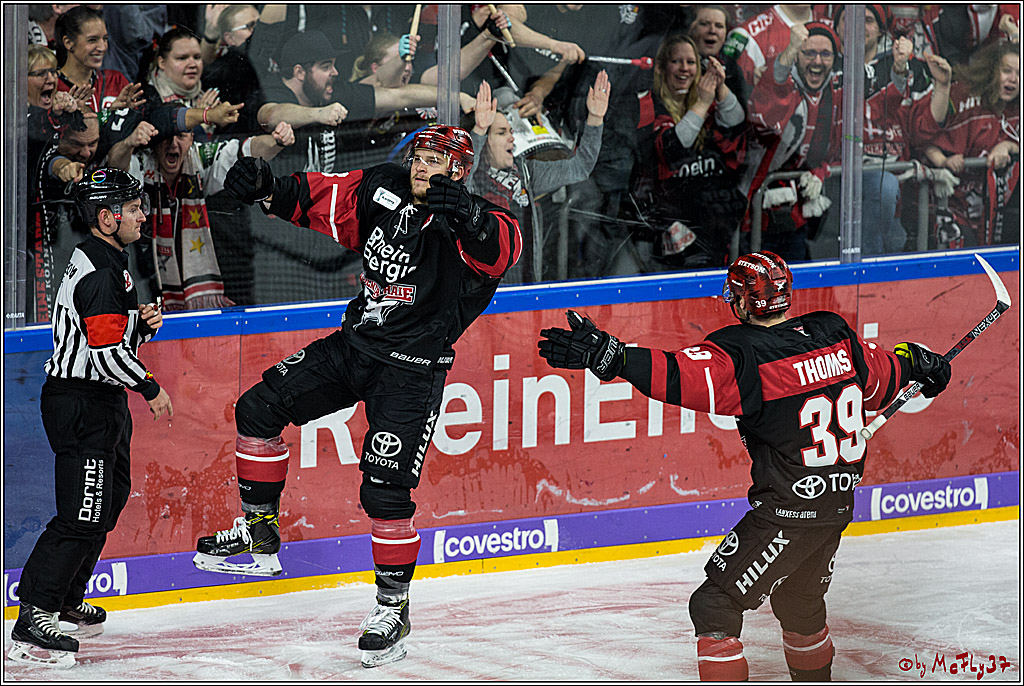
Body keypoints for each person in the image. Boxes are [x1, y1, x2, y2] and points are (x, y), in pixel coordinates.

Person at [537, 250, 953, 682]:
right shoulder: (833, 333)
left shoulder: (743, 353)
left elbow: (677, 375)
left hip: (788, 512)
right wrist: (920, 362)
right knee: (799, 605)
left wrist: (615, 357)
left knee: (713, 605)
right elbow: (888, 372)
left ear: (741, 300)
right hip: (836, 507)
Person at [192, 125, 522, 668]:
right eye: (419, 156)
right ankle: (259, 534)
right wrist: (268, 187)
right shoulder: (382, 185)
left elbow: (502, 249)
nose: (422, 166)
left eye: (436, 159)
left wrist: (467, 213)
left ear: (460, 170)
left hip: (411, 373)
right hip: (354, 347)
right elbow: (321, 198)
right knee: (257, 408)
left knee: (385, 493)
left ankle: (393, 608)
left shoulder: (475, 221)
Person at [8, 168, 174, 669]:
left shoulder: (105, 259)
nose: (142, 215)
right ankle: (34, 614)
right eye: (133, 208)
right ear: (107, 218)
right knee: (82, 513)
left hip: (99, 401)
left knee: (107, 501)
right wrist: (150, 386)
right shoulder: (102, 272)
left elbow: (103, 340)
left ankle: (65, 599)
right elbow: (103, 356)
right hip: (82, 403)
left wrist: (138, 329)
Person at [465, 74, 608, 282]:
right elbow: (464, 175)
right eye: (501, 133)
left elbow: (580, 167)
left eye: (511, 131)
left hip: (526, 289)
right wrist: (478, 130)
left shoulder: (525, 172)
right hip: (486, 295)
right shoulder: (470, 181)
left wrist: (595, 118)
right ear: (483, 141)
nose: (512, 138)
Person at [628, 34, 746, 272]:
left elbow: (736, 123)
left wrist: (720, 87)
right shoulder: (649, 102)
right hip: (662, 229)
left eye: (691, 62)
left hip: (709, 222)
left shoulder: (703, 99)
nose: (684, 68)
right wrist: (702, 103)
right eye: (676, 61)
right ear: (661, 67)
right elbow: (672, 150)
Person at [923, 40, 1020, 248]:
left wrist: (1008, 147)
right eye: (1007, 71)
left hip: (992, 212)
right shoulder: (963, 98)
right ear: (991, 70)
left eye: (1019, 74)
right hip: (951, 203)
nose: (1013, 79)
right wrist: (943, 161)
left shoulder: (1016, 110)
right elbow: (924, 139)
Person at [54, 6, 146, 123]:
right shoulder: (52, 86)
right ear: (68, 43)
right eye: (92, 40)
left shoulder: (116, 80)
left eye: (105, 39)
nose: (102, 47)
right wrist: (108, 114)